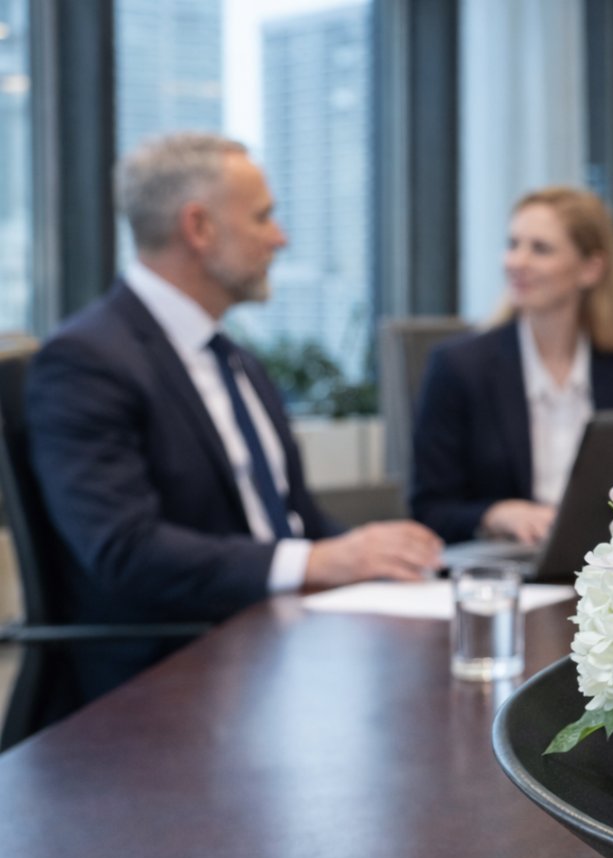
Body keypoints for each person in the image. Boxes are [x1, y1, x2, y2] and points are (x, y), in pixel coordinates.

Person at [27, 132, 442, 700]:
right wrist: (324, 560)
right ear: (198, 228)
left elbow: (294, 525)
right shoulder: (87, 360)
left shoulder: (237, 359)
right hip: (171, 687)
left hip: (279, 654)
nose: (281, 237)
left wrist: (379, 554)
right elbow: (126, 551)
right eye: (262, 218)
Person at [409, 186, 613, 545]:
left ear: (590, 269)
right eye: (513, 244)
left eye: (540, 249)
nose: (516, 261)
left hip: (604, 563)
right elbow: (428, 510)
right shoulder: (459, 367)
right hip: (505, 569)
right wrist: (497, 514)